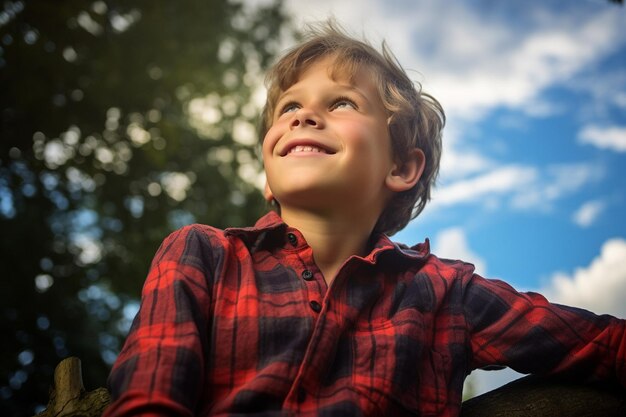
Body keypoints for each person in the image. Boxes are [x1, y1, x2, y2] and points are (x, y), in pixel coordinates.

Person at [103, 22, 626, 417]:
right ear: (268, 178)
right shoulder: (202, 255)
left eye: (342, 102)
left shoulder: (447, 295)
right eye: (289, 108)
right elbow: (149, 400)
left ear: (400, 166)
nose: (303, 116)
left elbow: (599, 345)